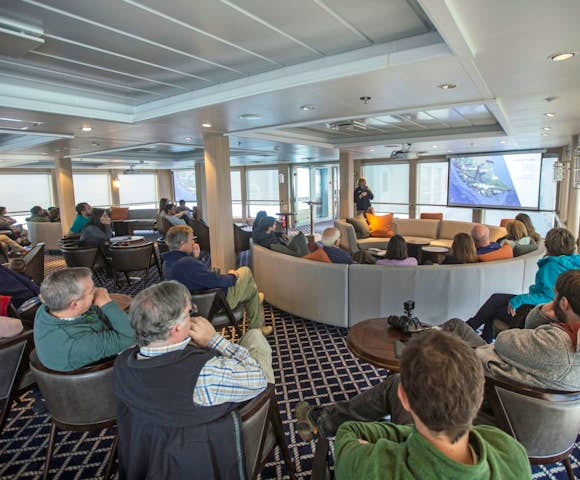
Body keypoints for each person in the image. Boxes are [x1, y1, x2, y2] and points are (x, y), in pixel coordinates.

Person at [310, 330, 530, 479]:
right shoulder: (510, 452)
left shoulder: (370, 466)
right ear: (479, 395)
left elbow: (349, 431)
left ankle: (318, 419)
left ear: (404, 398)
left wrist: (385, 443)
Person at [113, 280, 273, 479]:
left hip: (146, 458)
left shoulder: (121, 364)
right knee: (256, 339)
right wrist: (215, 340)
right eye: (189, 313)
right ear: (175, 329)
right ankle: (272, 424)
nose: (193, 317)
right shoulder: (206, 376)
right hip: (207, 454)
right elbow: (258, 379)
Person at [467, 227, 580, 342]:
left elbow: (549, 297)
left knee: (495, 308)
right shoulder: (573, 262)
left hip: (540, 313)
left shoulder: (552, 266)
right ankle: (478, 334)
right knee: (496, 299)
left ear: (550, 245)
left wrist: (520, 299)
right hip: (549, 309)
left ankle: (472, 332)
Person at [477, 269, 580, 390]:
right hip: (510, 372)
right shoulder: (571, 335)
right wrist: (542, 314)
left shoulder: (559, 342)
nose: (552, 300)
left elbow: (502, 340)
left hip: (487, 380)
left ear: (563, 303)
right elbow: (530, 334)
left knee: (456, 326)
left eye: (555, 295)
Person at [162, 225, 272, 336]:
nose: (193, 242)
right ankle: (257, 325)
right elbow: (216, 280)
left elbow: (197, 277)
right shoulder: (186, 263)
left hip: (195, 303)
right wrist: (232, 276)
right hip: (214, 303)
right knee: (245, 271)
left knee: (251, 291)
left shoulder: (167, 263)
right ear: (182, 243)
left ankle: (257, 319)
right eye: (191, 239)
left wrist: (197, 258)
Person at [34, 267, 135, 371]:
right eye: (92, 291)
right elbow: (131, 337)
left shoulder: (48, 307)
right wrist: (106, 303)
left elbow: (94, 311)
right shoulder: (76, 342)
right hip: (101, 371)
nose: (98, 290)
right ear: (74, 304)